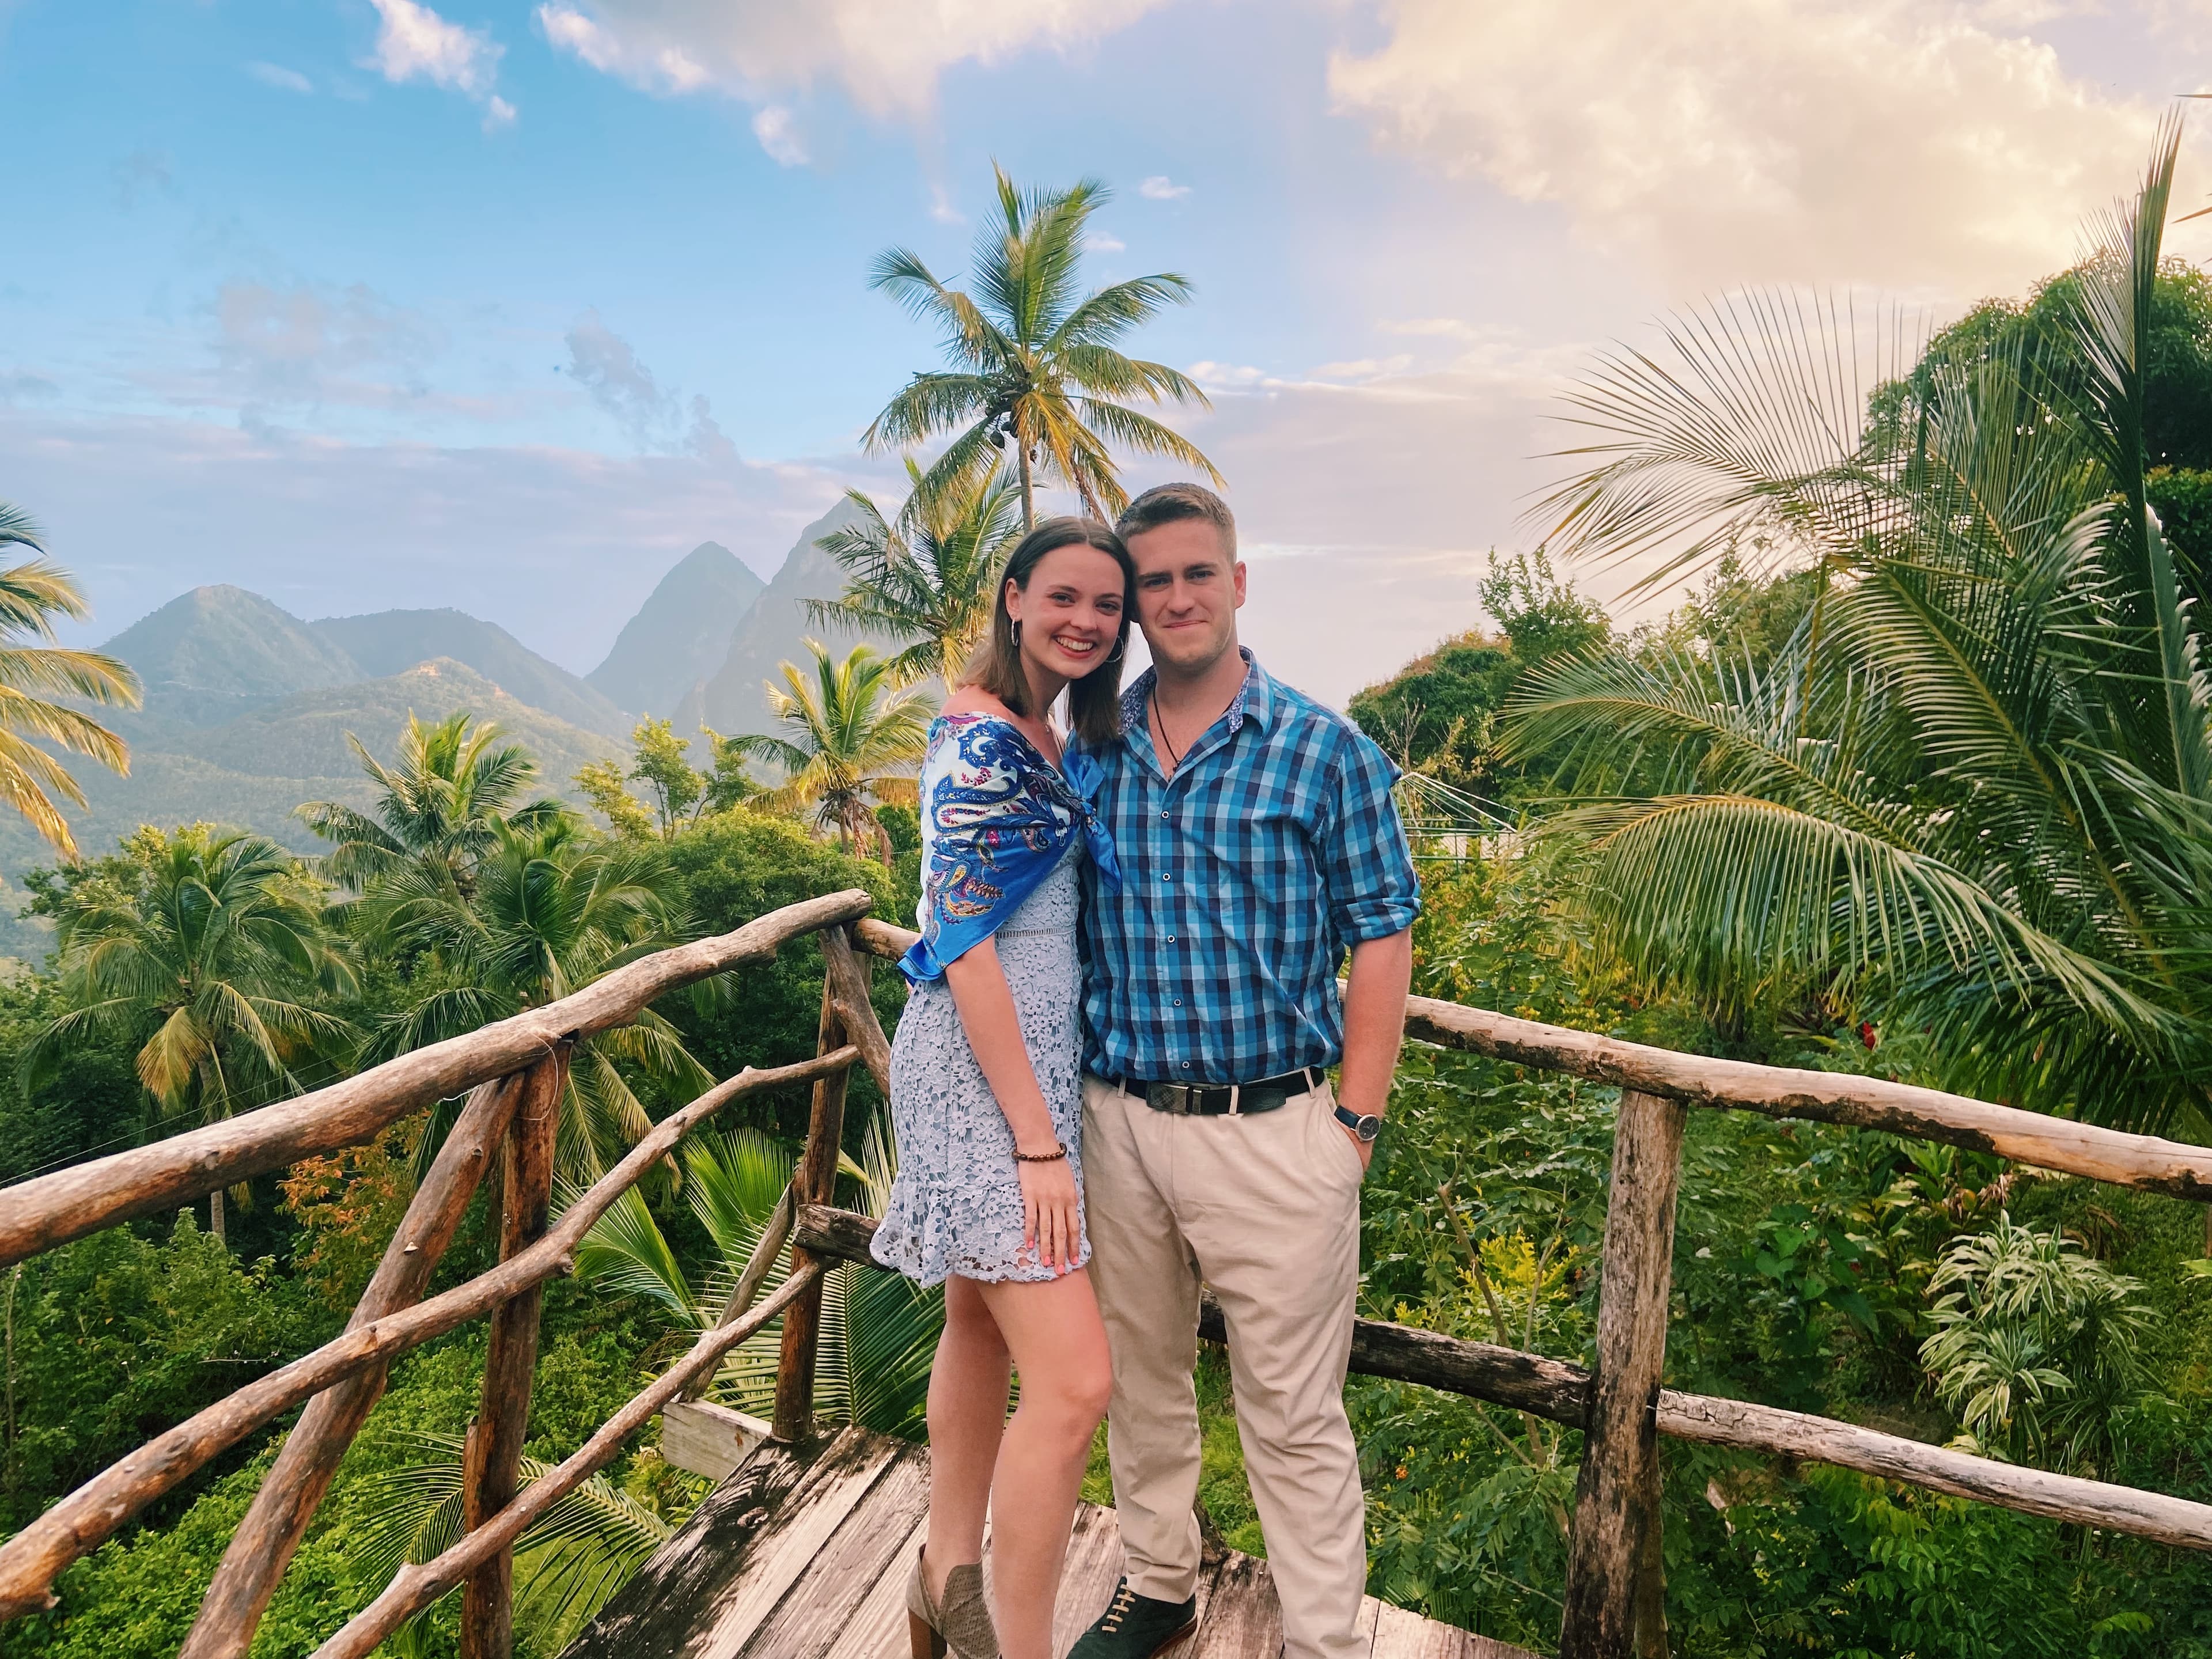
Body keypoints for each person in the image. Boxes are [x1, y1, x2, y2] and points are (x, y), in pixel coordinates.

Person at [1067, 483, 1420, 1659]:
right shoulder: (1095, 751)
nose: (1174, 598)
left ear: (1237, 582)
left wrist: (1353, 1127)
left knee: (1293, 1416)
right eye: (1152, 581)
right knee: (1140, 1380)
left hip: (1276, 1130)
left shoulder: (1323, 752)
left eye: (1194, 574)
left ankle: (1323, 1642)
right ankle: (1160, 1585)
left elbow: (1383, 929)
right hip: (1118, 1121)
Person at [871, 516, 1137, 1659]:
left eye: (1106, 606)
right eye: (1065, 598)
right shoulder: (980, 744)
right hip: (988, 1081)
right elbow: (969, 947)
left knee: (980, 1317)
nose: (1087, 621)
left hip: (1025, 1070)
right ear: (1015, 598)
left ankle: (946, 1574)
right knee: (1076, 1385)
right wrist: (1035, 1141)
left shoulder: (1043, 730)